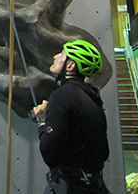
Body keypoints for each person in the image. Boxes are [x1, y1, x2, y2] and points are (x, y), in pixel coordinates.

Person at [33, 40, 111, 194]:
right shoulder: (93, 97)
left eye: (61, 54)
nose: (55, 57)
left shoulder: (61, 96)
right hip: (94, 186)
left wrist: (42, 120)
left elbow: (49, 154)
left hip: (68, 187)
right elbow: (103, 152)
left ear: (70, 66)